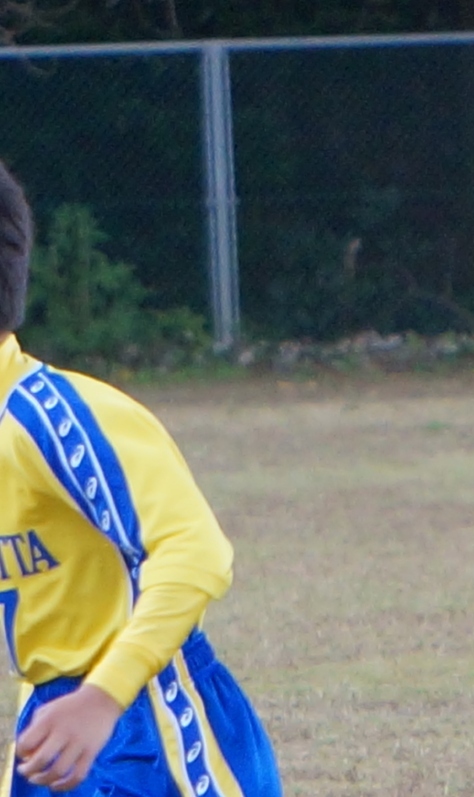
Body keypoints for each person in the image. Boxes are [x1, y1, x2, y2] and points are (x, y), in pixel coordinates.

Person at [0, 159, 281, 796]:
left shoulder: (49, 418)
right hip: (52, 728)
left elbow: (195, 552)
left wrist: (103, 695)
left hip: (152, 718)